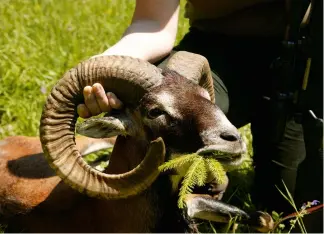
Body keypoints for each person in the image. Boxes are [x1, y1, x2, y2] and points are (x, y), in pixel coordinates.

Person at [76, 0, 322, 228]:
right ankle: (176, 177)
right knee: (158, 106)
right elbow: (152, 23)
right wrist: (101, 67)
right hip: (218, 50)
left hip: (310, 61)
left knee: (294, 209)